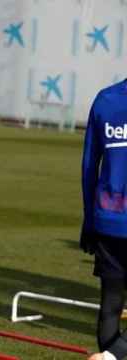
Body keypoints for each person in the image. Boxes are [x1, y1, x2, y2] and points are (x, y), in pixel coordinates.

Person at [81, 79, 127, 360]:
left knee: (110, 303)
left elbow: (89, 165)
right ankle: (109, 358)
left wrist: (89, 220)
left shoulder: (105, 99)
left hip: (106, 218)